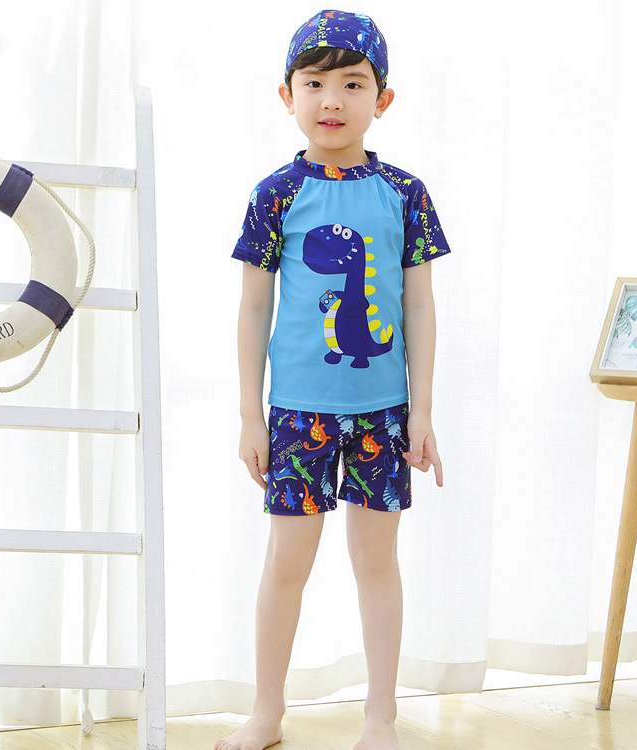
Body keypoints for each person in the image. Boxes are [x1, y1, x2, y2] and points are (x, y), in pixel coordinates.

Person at [217, 10, 450, 750]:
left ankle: (380, 715)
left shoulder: (405, 194)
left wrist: (422, 410)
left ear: (383, 99)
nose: (332, 100)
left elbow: (420, 305)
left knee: (377, 562)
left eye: (353, 84)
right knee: (287, 564)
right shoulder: (275, 194)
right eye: (315, 83)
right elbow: (254, 309)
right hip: (296, 415)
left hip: (383, 412)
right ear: (287, 95)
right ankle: (267, 711)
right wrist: (250, 417)